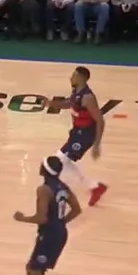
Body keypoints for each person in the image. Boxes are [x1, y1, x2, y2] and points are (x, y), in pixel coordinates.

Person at [0, 156, 81, 275]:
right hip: (58, 233)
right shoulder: (63, 187)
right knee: (33, 270)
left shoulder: (44, 190)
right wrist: (61, 223)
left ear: (44, 170)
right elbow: (77, 209)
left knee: (34, 271)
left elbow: (41, 218)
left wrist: (22, 218)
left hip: (49, 236)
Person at [47, 66, 108, 206]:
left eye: (74, 76)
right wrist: (52, 104)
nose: (71, 78)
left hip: (86, 134)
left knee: (60, 159)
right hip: (77, 131)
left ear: (81, 78)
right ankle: (94, 187)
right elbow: (69, 104)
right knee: (66, 161)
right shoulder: (76, 91)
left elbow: (100, 120)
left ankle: (58, 192)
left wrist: (97, 144)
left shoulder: (88, 98)